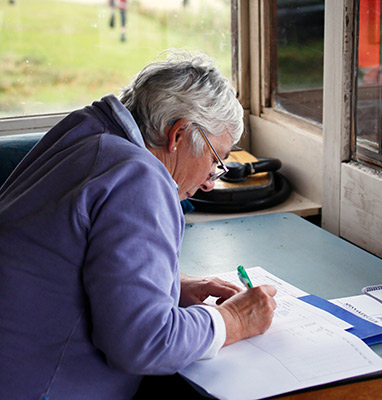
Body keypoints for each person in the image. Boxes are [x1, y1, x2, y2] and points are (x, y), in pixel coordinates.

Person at [0, 50, 277, 399]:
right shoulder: (139, 178)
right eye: (215, 159)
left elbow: (60, 257)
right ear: (177, 135)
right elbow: (144, 344)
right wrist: (233, 321)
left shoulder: (86, 129)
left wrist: (170, 285)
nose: (210, 181)